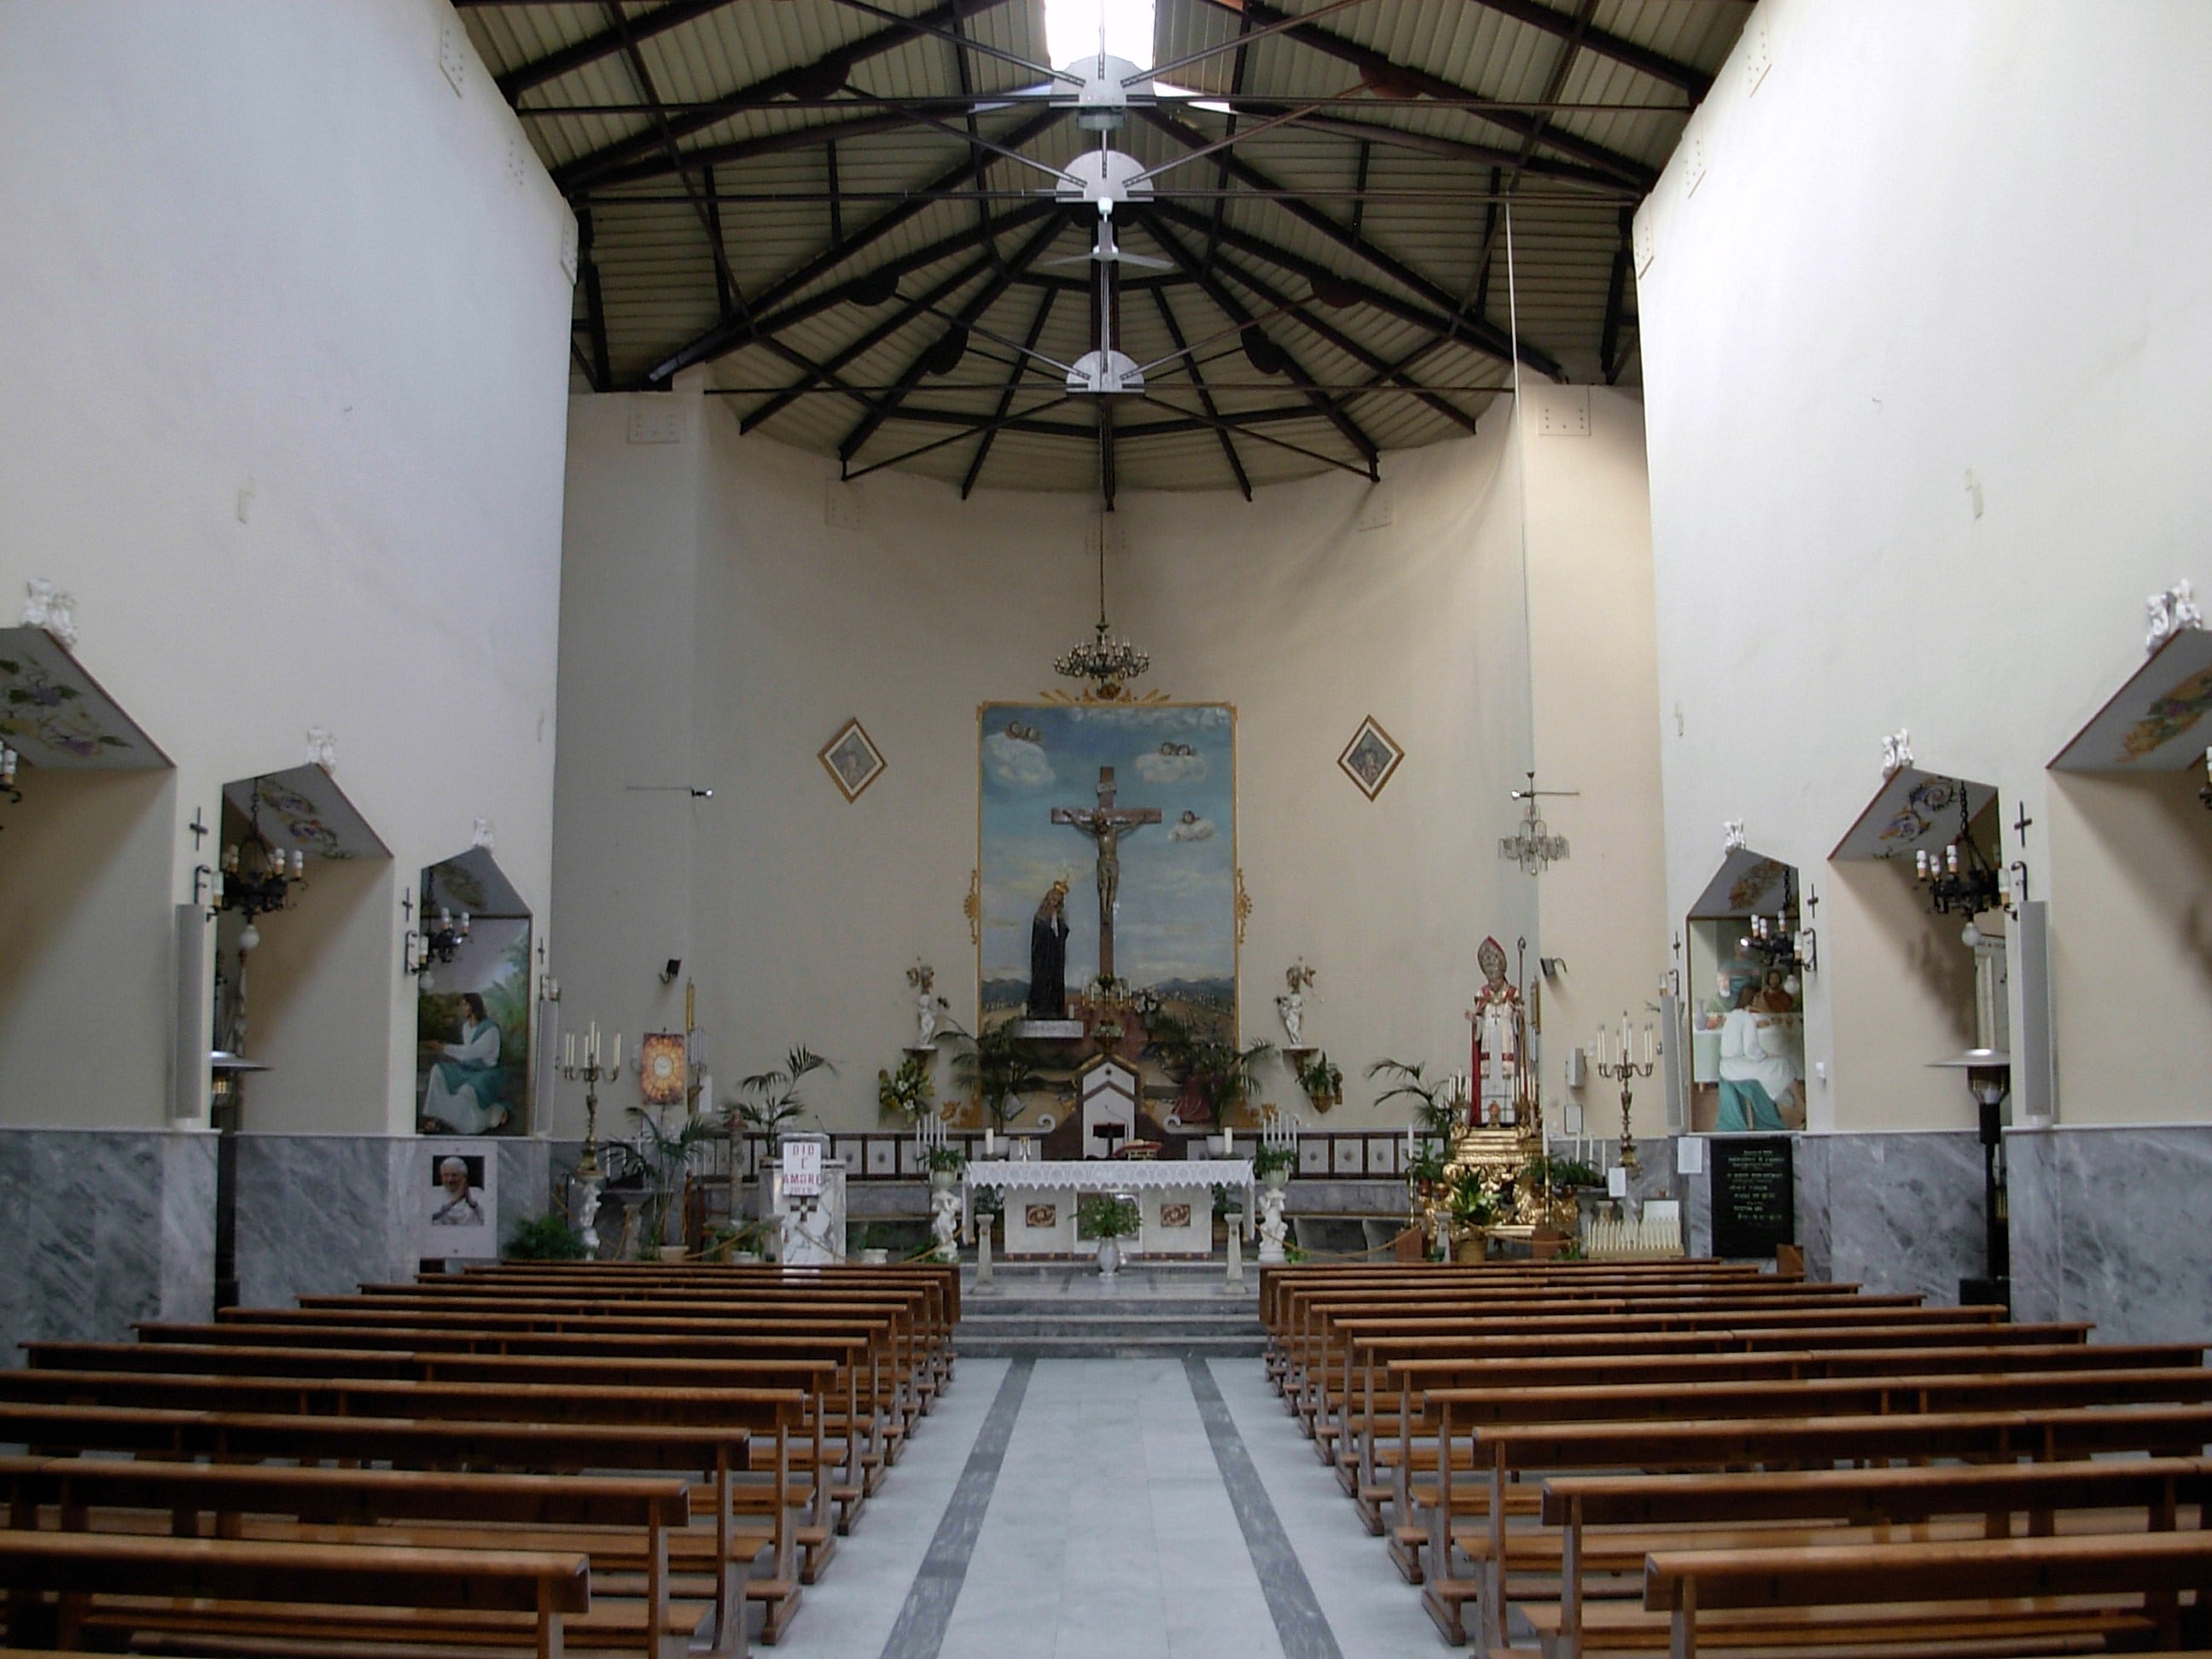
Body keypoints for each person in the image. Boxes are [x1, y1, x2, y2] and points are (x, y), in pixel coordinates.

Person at [422, 992, 509, 1133]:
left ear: (474, 1006)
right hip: (468, 1068)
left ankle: (470, 1125)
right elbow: (466, 1055)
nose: (462, 1008)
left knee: (466, 1092)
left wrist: (443, 1047)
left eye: (465, 1004)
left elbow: (472, 1052)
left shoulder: (490, 1030)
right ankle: (437, 1116)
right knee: (438, 1071)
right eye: (462, 1005)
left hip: (486, 1072)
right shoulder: (466, 1027)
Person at [1717, 983, 1801, 1129]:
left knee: (1778, 1064)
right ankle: (1799, 1106)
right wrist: (1766, 1055)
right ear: (1754, 998)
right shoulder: (1747, 1018)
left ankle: (1794, 1104)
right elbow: (1751, 1050)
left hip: (1728, 1066)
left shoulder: (1733, 1016)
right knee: (1782, 1064)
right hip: (1740, 1067)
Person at [1025, 881, 1069, 1019]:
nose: (1054, 904)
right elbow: (1038, 938)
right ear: (1047, 900)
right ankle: (1039, 1008)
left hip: (1055, 959)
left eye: (1057, 901)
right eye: (1052, 900)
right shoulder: (1040, 918)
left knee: (1056, 982)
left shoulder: (1060, 919)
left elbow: (1061, 936)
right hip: (1043, 958)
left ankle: (1055, 1009)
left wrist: (1059, 930)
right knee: (1041, 982)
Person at [429, 1155, 486, 1225]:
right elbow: (429, 1219)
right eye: (446, 1175)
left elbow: (488, 1219)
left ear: (464, 1177)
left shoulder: (477, 1193)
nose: (450, 1180)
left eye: (454, 1175)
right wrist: (454, 1201)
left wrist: (472, 1203)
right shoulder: (433, 1193)